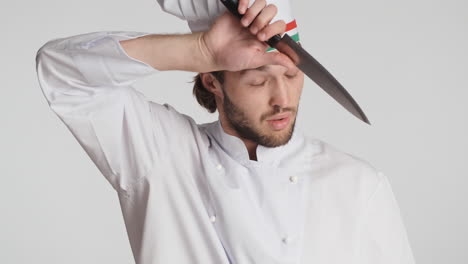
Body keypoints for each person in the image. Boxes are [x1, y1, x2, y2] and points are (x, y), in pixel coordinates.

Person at [35, 0, 416, 263]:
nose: (282, 99)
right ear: (212, 82)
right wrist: (200, 47)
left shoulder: (359, 185)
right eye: (257, 81)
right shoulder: (162, 156)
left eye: (291, 75)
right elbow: (62, 72)